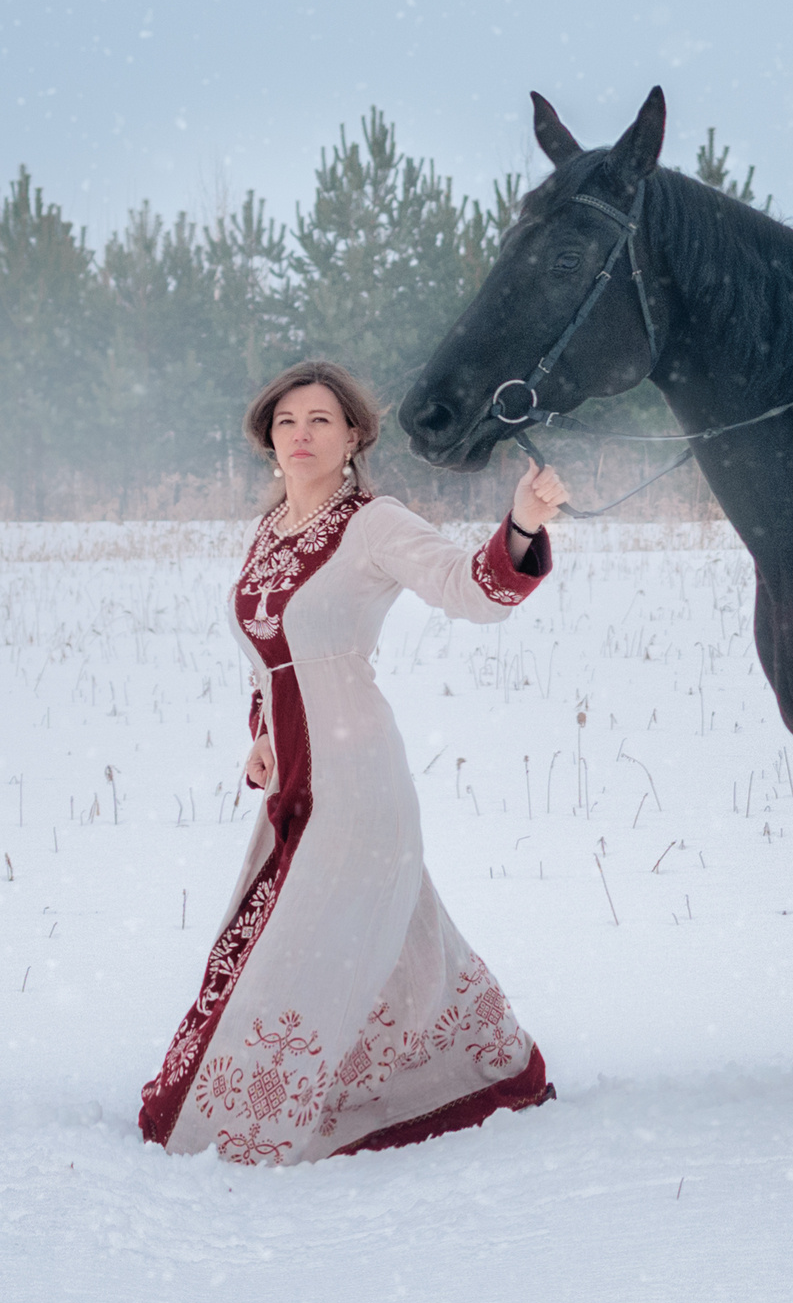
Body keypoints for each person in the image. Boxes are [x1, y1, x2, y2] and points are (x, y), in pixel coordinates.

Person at [139, 362, 571, 1166]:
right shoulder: (268, 531)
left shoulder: (373, 524)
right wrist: (263, 728)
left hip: (356, 778)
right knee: (395, 939)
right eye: (286, 422)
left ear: (354, 438)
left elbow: (467, 589)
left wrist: (518, 526)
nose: (301, 434)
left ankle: (259, 1117)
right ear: (269, 441)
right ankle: (482, 1071)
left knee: (297, 944)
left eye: (321, 421)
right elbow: (273, 653)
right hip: (298, 775)